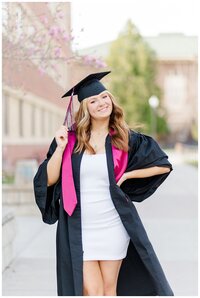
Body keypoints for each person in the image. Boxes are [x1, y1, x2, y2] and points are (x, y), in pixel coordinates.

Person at [33, 71, 174, 296]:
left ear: (111, 100)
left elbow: (163, 165)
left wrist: (128, 176)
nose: (101, 103)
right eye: (93, 100)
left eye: (104, 97)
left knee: (109, 290)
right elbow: (48, 180)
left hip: (113, 225)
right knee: (92, 291)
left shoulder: (124, 138)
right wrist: (59, 149)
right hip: (80, 226)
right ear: (85, 108)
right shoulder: (70, 141)